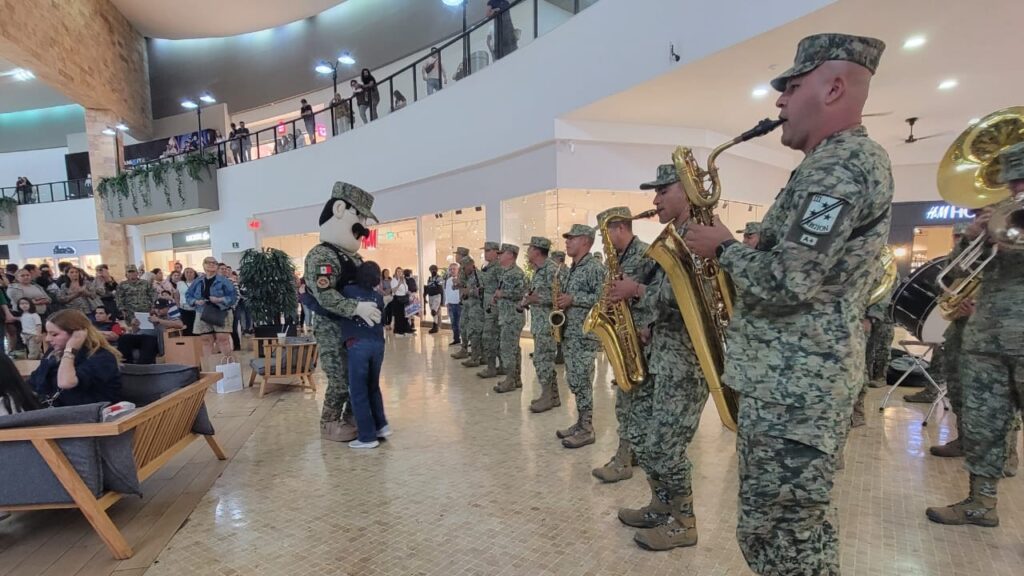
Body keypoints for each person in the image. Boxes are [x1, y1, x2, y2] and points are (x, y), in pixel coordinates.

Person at [683, 33, 890, 574]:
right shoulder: (833, 163)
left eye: (791, 87)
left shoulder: (838, 167)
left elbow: (789, 282)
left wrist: (724, 248)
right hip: (793, 386)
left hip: (797, 391)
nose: (778, 102)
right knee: (792, 532)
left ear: (834, 87)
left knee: (781, 536)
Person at [926, 141, 1024, 527]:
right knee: (983, 425)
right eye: (1013, 185)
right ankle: (980, 503)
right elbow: (949, 278)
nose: (1017, 193)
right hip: (984, 341)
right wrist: (973, 237)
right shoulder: (996, 220)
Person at [304, 182, 382, 443]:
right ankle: (328, 422)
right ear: (339, 210)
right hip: (331, 327)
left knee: (356, 378)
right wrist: (356, 307)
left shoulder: (353, 258)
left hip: (355, 330)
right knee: (338, 380)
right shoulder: (322, 256)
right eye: (358, 216)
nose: (363, 227)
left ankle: (352, 417)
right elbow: (325, 295)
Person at [591, 207, 656, 484]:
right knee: (628, 400)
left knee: (632, 402)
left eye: (606, 233)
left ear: (620, 228)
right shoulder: (615, 258)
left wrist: (649, 326)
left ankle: (623, 460)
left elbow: (662, 294)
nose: (605, 240)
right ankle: (634, 452)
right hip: (623, 333)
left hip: (640, 337)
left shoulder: (646, 254)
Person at [555, 225, 605, 448]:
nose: (567, 242)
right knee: (574, 379)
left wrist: (573, 299)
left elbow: (603, 299)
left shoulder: (594, 267)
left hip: (584, 335)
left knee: (582, 380)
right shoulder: (573, 267)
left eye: (571, 239)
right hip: (570, 333)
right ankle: (579, 422)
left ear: (585, 241)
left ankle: (587, 428)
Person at [340, 261, 390, 449]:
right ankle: (381, 426)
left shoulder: (348, 292)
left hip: (358, 344)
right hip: (378, 344)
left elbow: (333, 308)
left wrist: (306, 298)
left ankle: (367, 437)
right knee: (373, 387)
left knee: (358, 391)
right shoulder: (377, 296)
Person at [28, 309, 122, 407]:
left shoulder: (102, 357)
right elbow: (33, 382)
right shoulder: (54, 354)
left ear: (76, 334)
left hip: (88, 416)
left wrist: (70, 349)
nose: (47, 339)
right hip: (55, 412)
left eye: (54, 334)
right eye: (47, 333)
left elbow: (65, 383)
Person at [522, 237, 560, 412]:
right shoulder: (538, 270)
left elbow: (558, 297)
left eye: (529, 249)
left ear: (537, 251)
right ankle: (552, 395)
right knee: (543, 360)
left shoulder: (551, 270)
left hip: (547, 324)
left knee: (543, 360)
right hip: (539, 323)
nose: (527, 252)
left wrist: (534, 298)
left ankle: (547, 397)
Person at [186, 257, 238, 360]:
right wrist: (196, 301)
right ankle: (209, 367)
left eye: (214, 263)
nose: (211, 264)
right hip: (202, 311)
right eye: (208, 262)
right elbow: (188, 295)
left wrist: (220, 299)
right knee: (206, 339)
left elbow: (233, 297)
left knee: (222, 339)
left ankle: (227, 365)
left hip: (221, 311)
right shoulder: (198, 281)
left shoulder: (224, 281)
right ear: (203, 265)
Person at [492, 245, 526, 393]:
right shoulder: (505, 272)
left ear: (511, 255)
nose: (499, 256)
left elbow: (522, 293)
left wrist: (503, 294)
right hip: (506, 315)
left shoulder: (516, 273)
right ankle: (515, 379)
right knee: (513, 349)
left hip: (512, 317)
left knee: (507, 349)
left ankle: (510, 380)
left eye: (502, 253)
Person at [476, 242, 505, 378]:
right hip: (487, 306)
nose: (485, 253)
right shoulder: (488, 267)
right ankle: (498, 366)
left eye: (488, 251)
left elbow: (501, 287)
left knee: (490, 337)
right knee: (493, 337)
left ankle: (492, 367)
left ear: (496, 252)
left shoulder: (498, 268)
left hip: (494, 308)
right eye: (485, 250)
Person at [459, 257, 485, 369]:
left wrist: (468, 291)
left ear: (470, 264)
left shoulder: (478, 276)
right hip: (471, 308)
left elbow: (482, 291)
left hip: (477, 310)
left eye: (464, 267)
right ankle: (479, 356)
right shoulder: (470, 277)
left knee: (475, 333)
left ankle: (475, 358)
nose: (463, 270)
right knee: (473, 332)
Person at [550, 250, 567, 365]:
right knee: (556, 330)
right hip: (558, 304)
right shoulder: (559, 271)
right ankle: (558, 352)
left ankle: (561, 352)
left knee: (561, 331)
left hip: (563, 304)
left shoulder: (563, 271)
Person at [391, 267, 414, 336]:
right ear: (396, 272)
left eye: (401, 272)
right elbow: (393, 291)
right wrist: (399, 284)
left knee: (405, 315)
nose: (399, 273)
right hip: (397, 298)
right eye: (398, 271)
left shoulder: (404, 280)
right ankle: (398, 331)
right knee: (399, 315)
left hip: (404, 298)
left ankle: (405, 329)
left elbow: (405, 290)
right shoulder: (394, 280)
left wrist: (409, 292)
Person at [425, 265, 444, 334]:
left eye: (434, 269)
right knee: (434, 314)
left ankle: (436, 326)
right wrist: (424, 297)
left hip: (437, 296)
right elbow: (428, 288)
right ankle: (435, 326)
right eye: (431, 270)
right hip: (430, 296)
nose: (432, 271)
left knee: (434, 311)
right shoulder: (429, 278)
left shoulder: (439, 278)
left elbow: (440, 288)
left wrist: (442, 301)